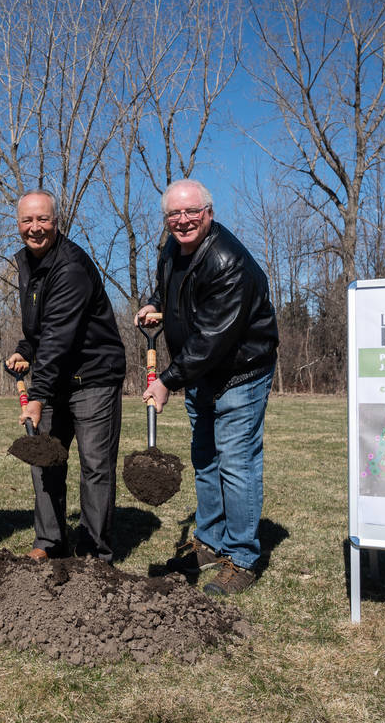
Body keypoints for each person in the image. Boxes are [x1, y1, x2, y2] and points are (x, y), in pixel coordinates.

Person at [135, 178, 279, 595]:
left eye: (191, 212)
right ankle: (210, 542)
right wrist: (155, 303)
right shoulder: (172, 249)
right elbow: (174, 289)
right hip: (201, 373)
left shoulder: (227, 261)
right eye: (174, 214)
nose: (183, 221)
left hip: (239, 372)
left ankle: (243, 557)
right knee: (206, 459)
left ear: (209, 213)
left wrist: (166, 381)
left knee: (235, 463)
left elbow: (212, 340)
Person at [5, 191, 126, 562]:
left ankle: (93, 550)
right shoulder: (28, 262)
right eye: (28, 220)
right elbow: (43, 330)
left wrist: (37, 396)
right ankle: (49, 542)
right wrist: (26, 350)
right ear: (18, 223)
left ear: (57, 222)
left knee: (95, 465)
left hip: (93, 375)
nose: (35, 228)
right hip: (57, 375)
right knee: (46, 458)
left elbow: (59, 336)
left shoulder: (70, 266)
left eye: (43, 220)